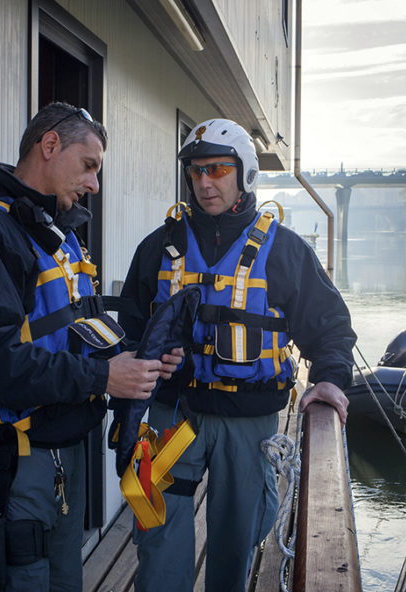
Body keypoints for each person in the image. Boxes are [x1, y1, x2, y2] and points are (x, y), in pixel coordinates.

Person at [0, 102, 182, 592]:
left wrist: (137, 362)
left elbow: (74, 331)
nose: (95, 185)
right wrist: (105, 378)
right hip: (14, 464)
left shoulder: (57, 237)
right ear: (50, 145)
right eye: (90, 166)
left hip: (65, 455)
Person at [119, 118, 357, 591]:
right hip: (170, 416)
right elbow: (128, 327)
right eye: (196, 172)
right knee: (154, 531)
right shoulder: (156, 249)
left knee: (237, 541)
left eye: (218, 170)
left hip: (247, 425)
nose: (205, 182)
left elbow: (329, 324)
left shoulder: (284, 250)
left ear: (244, 172)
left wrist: (330, 379)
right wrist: (139, 358)